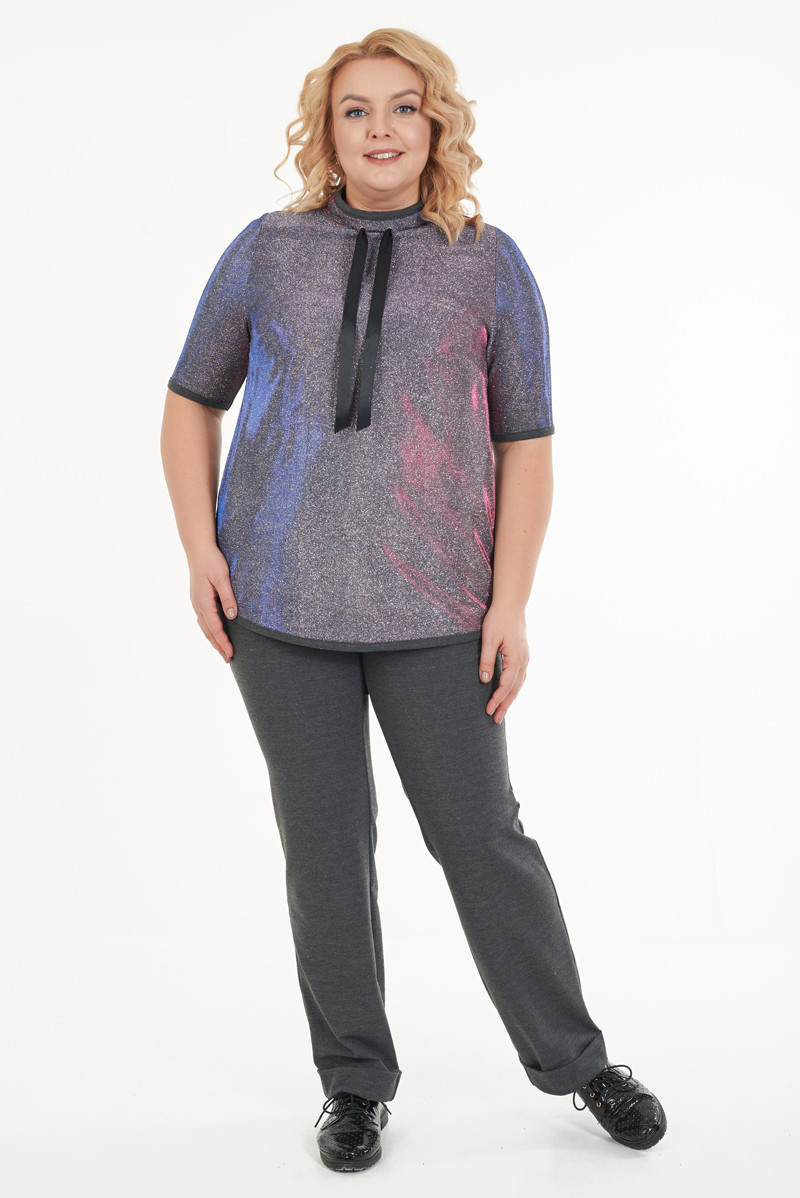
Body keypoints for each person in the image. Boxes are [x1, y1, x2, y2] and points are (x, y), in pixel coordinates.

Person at [160, 27, 667, 1173]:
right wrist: (200, 548)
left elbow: (525, 443)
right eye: (355, 109)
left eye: (402, 106)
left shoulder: (486, 263)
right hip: (279, 606)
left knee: (482, 840)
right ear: (325, 128)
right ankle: (352, 1083)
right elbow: (190, 400)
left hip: (438, 609)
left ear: (436, 124)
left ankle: (577, 1061)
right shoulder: (267, 251)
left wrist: (509, 603)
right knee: (324, 847)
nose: (379, 128)